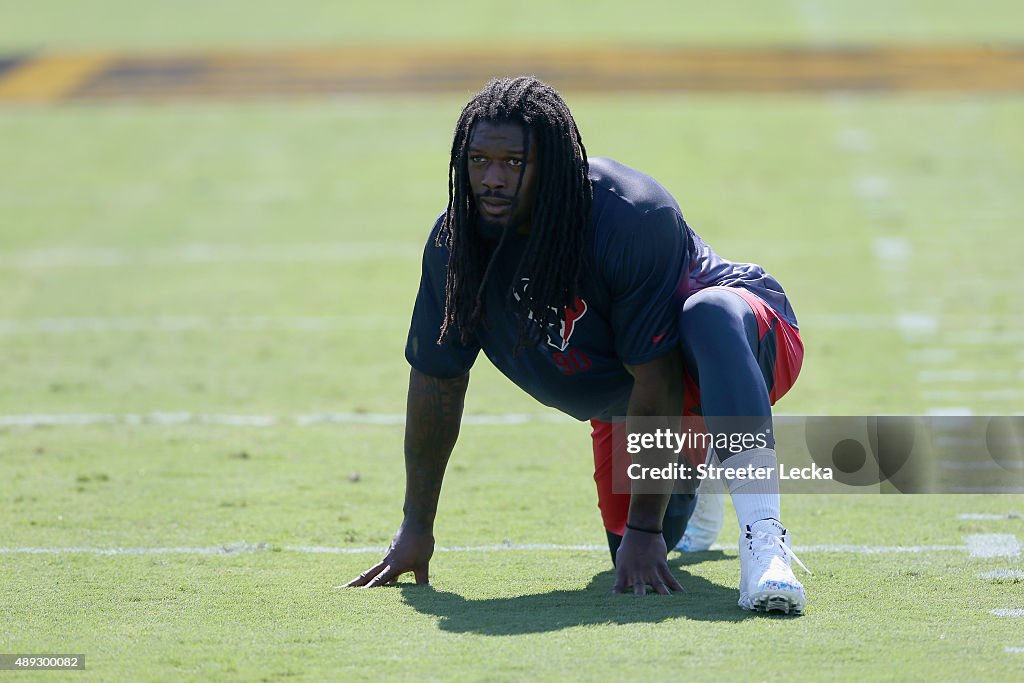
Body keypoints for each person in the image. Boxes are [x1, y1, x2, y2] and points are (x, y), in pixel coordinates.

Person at [345, 76, 809, 614]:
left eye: (514, 163)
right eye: (478, 160)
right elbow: (436, 379)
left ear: (555, 165)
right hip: (626, 399)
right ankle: (700, 463)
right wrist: (416, 527)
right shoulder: (457, 246)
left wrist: (643, 526)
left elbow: (657, 378)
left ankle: (766, 547)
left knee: (705, 316)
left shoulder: (629, 215)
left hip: (739, 343)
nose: (492, 179)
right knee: (631, 552)